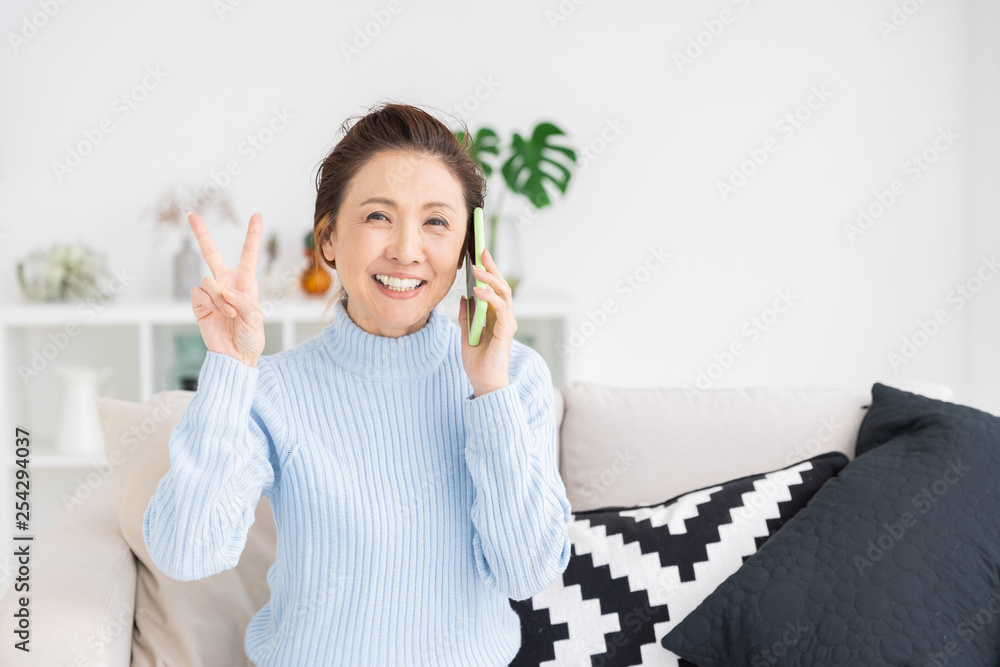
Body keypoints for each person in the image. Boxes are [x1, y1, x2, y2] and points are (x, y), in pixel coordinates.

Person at [142, 101, 572, 666]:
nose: (406, 250)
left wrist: (490, 392)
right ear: (328, 240)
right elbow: (187, 551)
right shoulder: (270, 390)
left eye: (437, 222)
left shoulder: (515, 377)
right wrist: (229, 365)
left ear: (470, 251)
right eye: (377, 217)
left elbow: (527, 572)